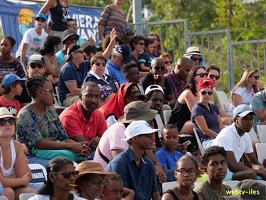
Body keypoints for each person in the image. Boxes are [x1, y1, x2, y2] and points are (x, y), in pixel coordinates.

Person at [17, 76, 89, 167]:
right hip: (32, 156)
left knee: (85, 157)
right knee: (65, 166)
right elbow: (39, 143)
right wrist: (71, 146)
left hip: (55, 150)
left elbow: (64, 138)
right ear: (40, 93)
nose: (54, 95)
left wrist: (79, 146)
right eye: (50, 91)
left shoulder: (50, 111)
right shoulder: (25, 114)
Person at [94, 100, 157, 169]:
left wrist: (158, 171)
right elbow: (121, 164)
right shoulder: (118, 130)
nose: (150, 123)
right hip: (106, 177)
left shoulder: (141, 134)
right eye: (147, 120)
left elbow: (155, 162)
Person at [107, 120, 161, 200]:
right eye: (148, 135)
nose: (152, 138)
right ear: (135, 139)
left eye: (152, 135)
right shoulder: (119, 163)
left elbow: (155, 194)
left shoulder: (148, 163)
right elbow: (121, 196)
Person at [212, 104, 266, 181]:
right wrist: (259, 172)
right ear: (235, 120)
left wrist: (262, 171)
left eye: (251, 119)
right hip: (221, 174)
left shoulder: (245, 136)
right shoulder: (226, 135)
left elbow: (254, 163)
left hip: (232, 173)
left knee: (257, 174)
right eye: (245, 119)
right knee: (250, 174)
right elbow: (232, 165)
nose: (249, 122)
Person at [59, 82, 107, 153]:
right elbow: (85, 145)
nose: (93, 100)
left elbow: (107, 140)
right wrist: (101, 140)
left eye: (96, 97)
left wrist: (101, 139)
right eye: (89, 96)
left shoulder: (98, 114)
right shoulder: (69, 116)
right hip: (74, 155)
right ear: (80, 97)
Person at [0, 107, 35, 200]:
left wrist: (16, 180)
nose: (7, 124)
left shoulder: (17, 146)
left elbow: (27, 179)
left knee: (29, 192)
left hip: (10, 187)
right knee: (8, 192)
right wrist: (20, 180)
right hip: (6, 190)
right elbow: (1, 183)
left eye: (11, 121)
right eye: (2, 122)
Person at [169, 66, 207, 136]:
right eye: (201, 75)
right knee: (203, 124)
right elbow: (197, 113)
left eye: (206, 75)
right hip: (177, 124)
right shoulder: (188, 93)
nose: (204, 77)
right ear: (194, 77)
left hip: (192, 121)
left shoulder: (203, 93)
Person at [191, 78, 224, 150]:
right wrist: (221, 138)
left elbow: (221, 125)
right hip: (207, 141)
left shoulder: (214, 107)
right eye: (203, 92)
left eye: (209, 93)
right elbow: (205, 131)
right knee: (224, 144)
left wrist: (225, 136)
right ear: (198, 93)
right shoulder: (197, 109)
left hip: (218, 138)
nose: (206, 95)